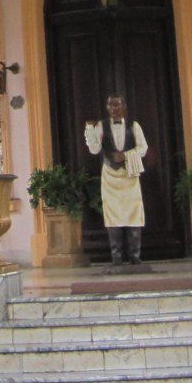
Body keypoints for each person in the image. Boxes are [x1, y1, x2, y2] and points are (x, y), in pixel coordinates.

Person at [84, 94, 147, 265]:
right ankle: (116, 257)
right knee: (113, 214)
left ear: (123, 107)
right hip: (110, 176)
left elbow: (143, 148)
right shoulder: (101, 126)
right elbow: (95, 150)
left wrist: (126, 155)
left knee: (133, 213)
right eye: (110, 105)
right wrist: (90, 133)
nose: (113, 108)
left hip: (129, 175)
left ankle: (135, 256)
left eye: (116, 105)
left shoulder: (134, 125)